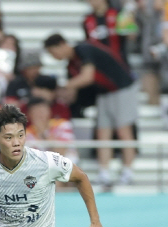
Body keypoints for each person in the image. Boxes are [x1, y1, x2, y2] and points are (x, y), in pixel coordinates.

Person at [44, 33, 137, 187]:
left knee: (123, 130)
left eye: (54, 53)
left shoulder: (83, 49)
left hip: (122, 88)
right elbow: (73, 92)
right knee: (102, 132)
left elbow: (87, 77)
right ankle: (104, 173)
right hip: (104, 93)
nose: (55, 57)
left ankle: (128, 171)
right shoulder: (71, 66)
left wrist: (62, 87)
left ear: (62, 44)